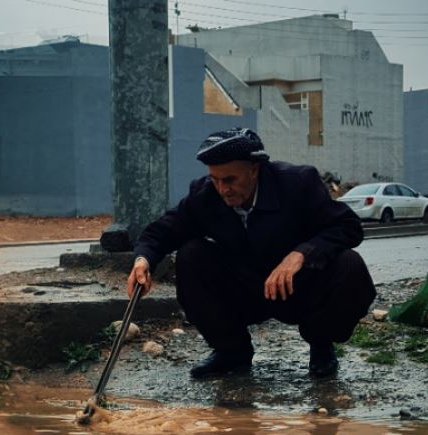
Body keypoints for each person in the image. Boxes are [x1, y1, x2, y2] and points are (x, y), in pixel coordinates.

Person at [128, 128, 373, 380]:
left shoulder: (298, 182)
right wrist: (143, 260)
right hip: (246, 291)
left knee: (349, 265)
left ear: (254, 170)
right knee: (191, 254)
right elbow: (163, 231)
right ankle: (231, 352)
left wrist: (301, 254)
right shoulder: (205, 195)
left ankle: (321, 346)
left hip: (300, 288)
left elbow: (348, 227)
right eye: (216, 179)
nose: (223, 189)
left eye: (230, 180)